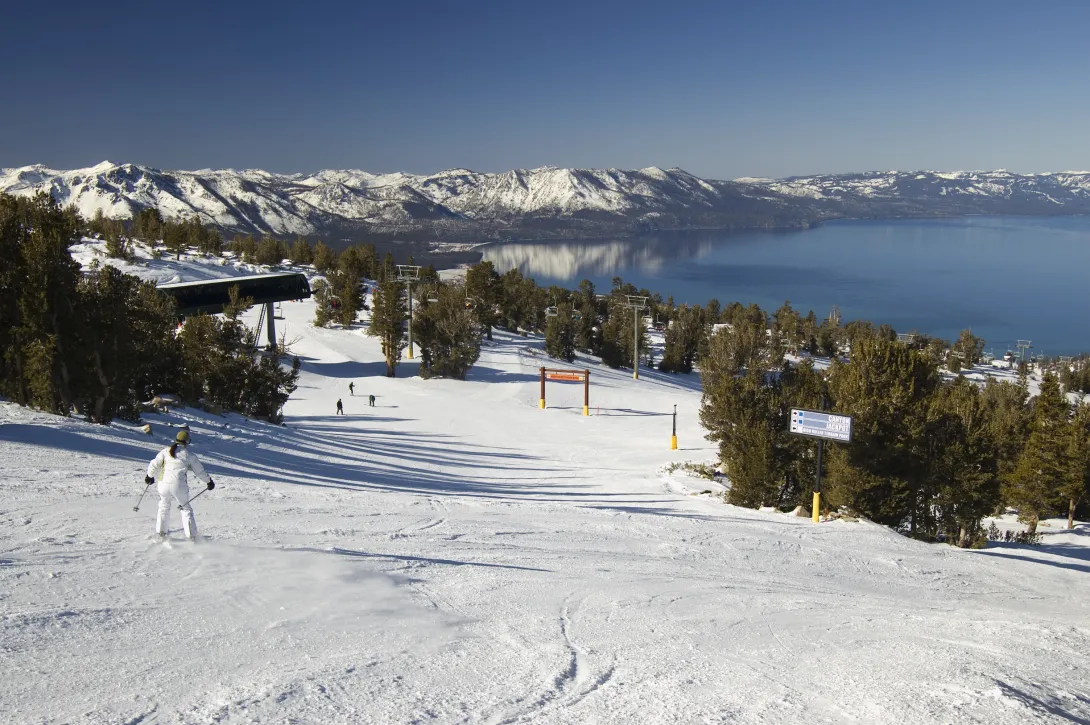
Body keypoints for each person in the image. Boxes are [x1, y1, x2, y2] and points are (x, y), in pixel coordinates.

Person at [145, 430, 214, 541]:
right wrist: (209, 481)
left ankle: (161, 533)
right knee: (185, 508)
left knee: (164, 506)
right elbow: (199, 471)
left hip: (163, 484)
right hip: (179, 486)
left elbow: (154, 463)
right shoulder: (190, 455)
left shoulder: (165, 451)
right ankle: (192, 537)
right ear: (187, 442)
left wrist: (149, 476)